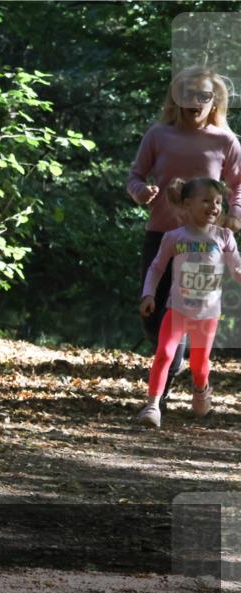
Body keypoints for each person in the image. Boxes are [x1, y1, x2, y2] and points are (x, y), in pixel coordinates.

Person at [126, 66, 241, 410]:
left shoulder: (225, 141)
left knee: (192, 312)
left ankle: (170, 376)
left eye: (203, 96)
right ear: (176, 99)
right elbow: (134, 176)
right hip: (161, 234)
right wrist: (140, 193)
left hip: (205, 244)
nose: (195, 102)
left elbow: (239, 186)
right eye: (188, 95)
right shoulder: (158, 135)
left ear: (214, 101)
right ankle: (172, 359)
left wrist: (235, 213)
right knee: (152, 314)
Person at [137, 177, 241, 428]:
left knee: (199, 364)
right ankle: (153, 405)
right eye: (205, 200)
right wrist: (148, 294)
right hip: (178, 309)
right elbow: (156, 267)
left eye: (218, 202)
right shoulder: (174, 237)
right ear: (187, 204)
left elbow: (237, 270)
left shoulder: (224, 237)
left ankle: (201, 389)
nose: (213, 207)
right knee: (164, 353)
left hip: (207, 315)